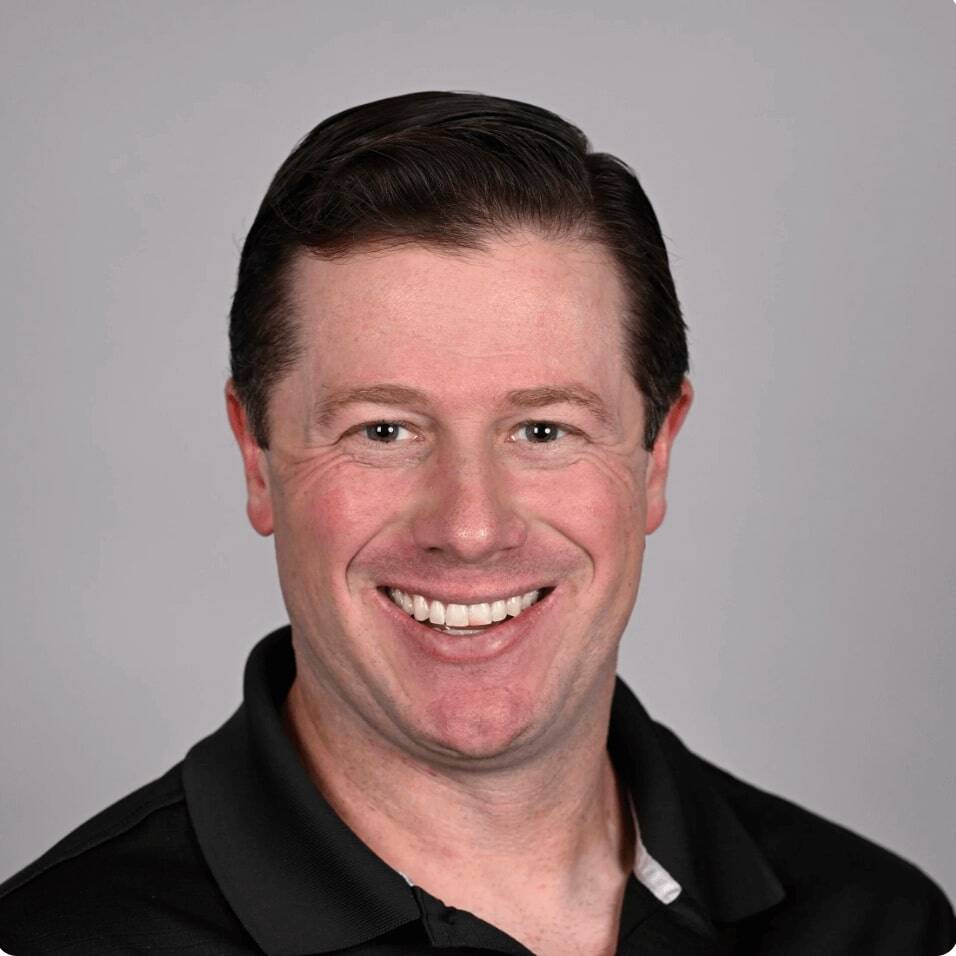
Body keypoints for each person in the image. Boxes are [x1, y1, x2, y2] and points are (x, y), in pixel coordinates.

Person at [0, 90, 952, 956]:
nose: (468, 527)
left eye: (543, 430)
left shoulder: (877, 927)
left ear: (655, 455)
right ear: (258, 457)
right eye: (383, 431)